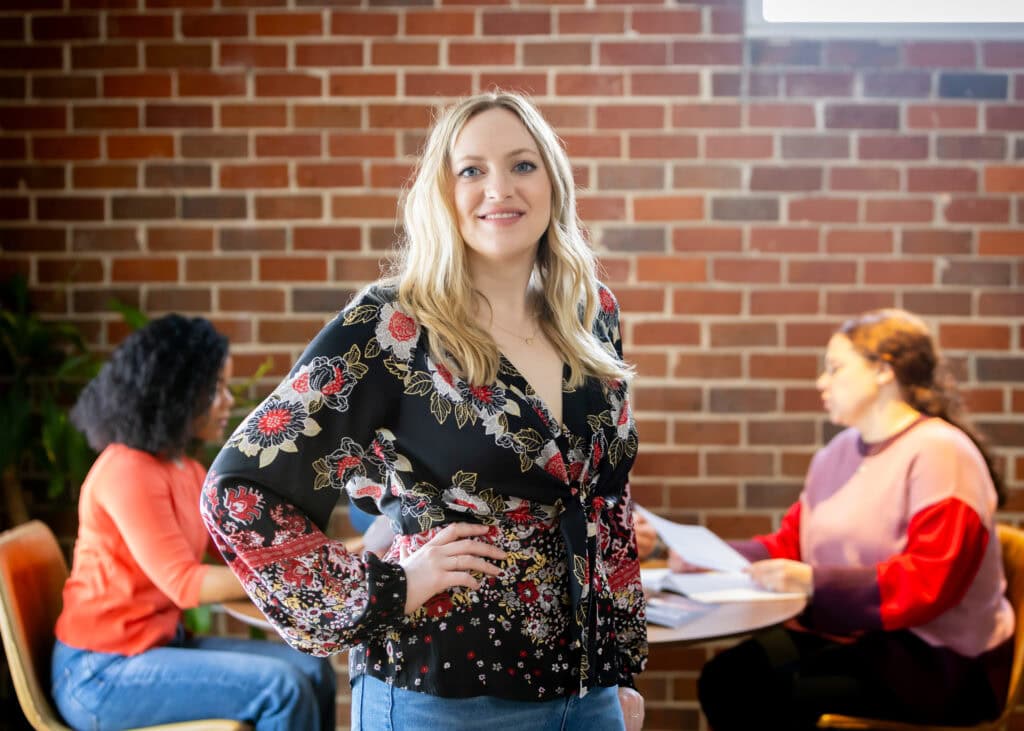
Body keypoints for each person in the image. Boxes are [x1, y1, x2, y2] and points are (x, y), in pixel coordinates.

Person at [201, 91, 647, 731]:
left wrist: (614, 673)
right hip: (445, 693)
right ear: (443, 191)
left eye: (523, 165)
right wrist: (387, 589)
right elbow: (238, 491)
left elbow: (607, 500)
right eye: (472, 170)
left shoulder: (590, 312)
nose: (500, 188)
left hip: (585, 692)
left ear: (554, 182)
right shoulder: (389, 326)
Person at [685, 309, 1014, 729]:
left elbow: (930, 581)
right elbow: (792, 546)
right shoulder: (837, 453)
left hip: (939, 662)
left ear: (882, 371)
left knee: (765, 694)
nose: (821, 382)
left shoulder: (941, 450)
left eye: (835, 368)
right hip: (863, 638)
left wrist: (813, 582)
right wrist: (699, 554)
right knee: (727, 678)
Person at [51, 314, 337, 731]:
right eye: (215, 388)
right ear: (177, 392)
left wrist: (323, 554)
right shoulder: (127, 471)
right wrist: (292, 575)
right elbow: (186, 584)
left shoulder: (183, 467)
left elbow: (235, 550)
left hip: (158, 648)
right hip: (100, 672)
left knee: (312, 670)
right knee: (284, 689)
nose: (227, 401)